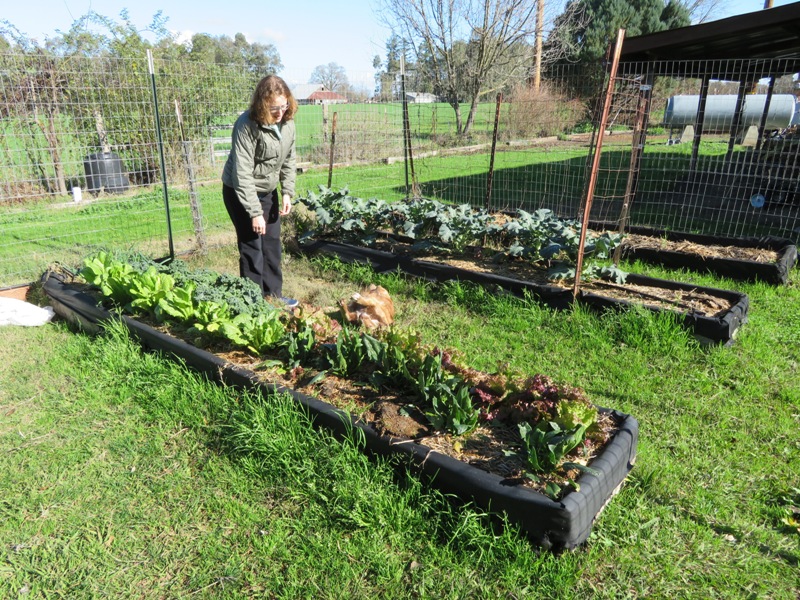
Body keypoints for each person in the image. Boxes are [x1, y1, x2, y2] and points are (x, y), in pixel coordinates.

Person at [222, 75, 298, 308]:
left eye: (283, 106)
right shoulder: (246, 124)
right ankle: (253, 302)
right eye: (274, 108)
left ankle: (273, 296)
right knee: (252, 245)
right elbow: (242, 172)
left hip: (268, 191)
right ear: (262, 104)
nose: (279, 113)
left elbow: (289, 158)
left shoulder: (287, 123)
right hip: (241, 191)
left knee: (272, 244)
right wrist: (254, 212)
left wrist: (287, 191)